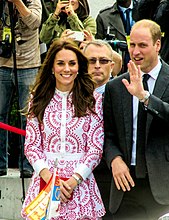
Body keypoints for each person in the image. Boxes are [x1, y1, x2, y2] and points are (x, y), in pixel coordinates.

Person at [103, 19, 169, 220]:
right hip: (127, 187)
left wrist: (144, 96)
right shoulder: (115, 86)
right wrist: (115, 159)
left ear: (157, 45)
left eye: (142, 45)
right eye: (132, 45)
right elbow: (108, 134)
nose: (135, 51)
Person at [21, 38, 105, 219]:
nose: (67, 69)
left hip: (80, 185)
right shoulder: (37, 99)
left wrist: (74, 180)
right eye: (60, 63)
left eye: (72, 63)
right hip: (45, 183)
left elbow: (95, 148)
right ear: (52, 67)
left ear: (79, 67)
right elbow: (32, 146)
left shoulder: (93, 99)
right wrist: (50, 179)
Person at [0, 0, 42, 177]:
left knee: (28, 117)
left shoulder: (33, 0)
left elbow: (34, 23)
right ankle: (1, 164)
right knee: (1, 115)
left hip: (29, 64)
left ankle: (28, 164)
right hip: (2, 63)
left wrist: (18, 3)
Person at [83, 39, 116, 219]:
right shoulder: (69, 94)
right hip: (76, 175)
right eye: (91, 60)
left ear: (111, 65)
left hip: (111, 174)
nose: (97, 65)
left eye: (103, 61)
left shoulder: (124, 92)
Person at [95, 0, 139, 73]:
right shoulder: (104, 17)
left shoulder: (145, 12)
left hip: (141, 64)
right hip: (117, 68)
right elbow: (99, 48)